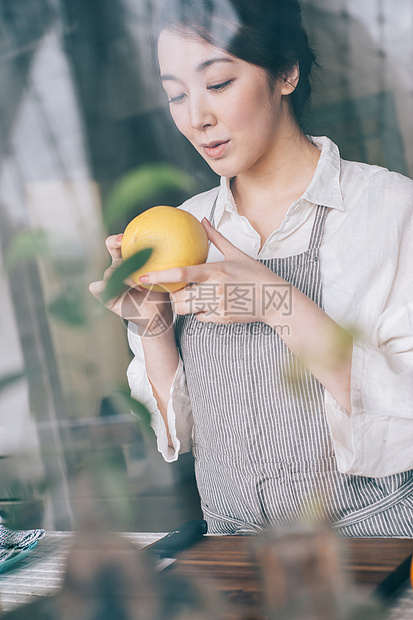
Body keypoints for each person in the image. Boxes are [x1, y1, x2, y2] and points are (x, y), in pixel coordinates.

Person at [90, 0, 413, 536]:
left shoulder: (388, 210)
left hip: (369, 543)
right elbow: (181, 434)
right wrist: (152, 327)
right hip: (235, 551)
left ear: (286, 72)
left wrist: (276, 301)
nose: (197, 117)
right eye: (176, 94)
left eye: (217, 83)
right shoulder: (185, 226)